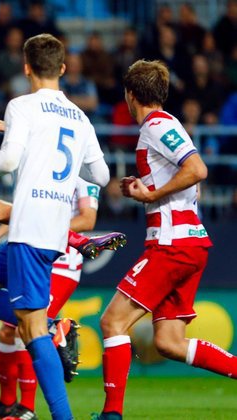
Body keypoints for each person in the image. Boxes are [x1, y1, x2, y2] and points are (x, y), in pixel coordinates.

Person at [0, 34, 111, 420]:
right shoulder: (80, 117)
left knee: (31, 332)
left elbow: (8, 160)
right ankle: (52, 326)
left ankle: (61, 410)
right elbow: (101, 176)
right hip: (49, 233)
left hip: (30, 230)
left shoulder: (21, 105)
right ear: (63, 69)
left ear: (26, 68)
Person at [92, 60, 235, 420]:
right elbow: (188, 180)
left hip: (173, 244)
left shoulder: (157, 126)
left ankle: (111, 414)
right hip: (188, 242)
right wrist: (145, 188)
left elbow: (197, 170)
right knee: (169, 342)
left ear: (130, 94)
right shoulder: (165, 126)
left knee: (112, 322)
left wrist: (152, 195)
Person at [0, 178, 109, 420]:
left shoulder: (85, 179)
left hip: (62, 263)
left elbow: (87, 219)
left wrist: (47, 230)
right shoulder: (45, 173)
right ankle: (7, 404)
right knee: (7, 331)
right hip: (32, 254)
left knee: (26, 328)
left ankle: (27, 408)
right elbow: (25, 212)